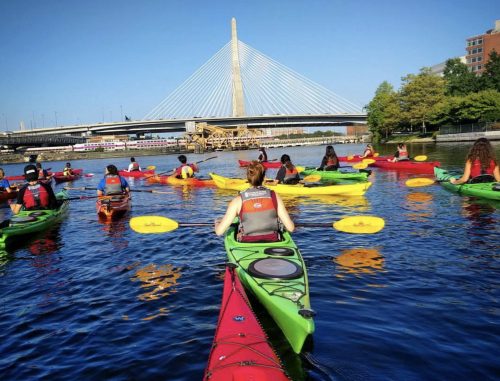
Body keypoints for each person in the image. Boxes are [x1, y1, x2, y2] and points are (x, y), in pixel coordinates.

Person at [214, 161, 294, 242]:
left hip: (247, 242)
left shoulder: (238, 200)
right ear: (264, 177)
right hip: (273, 240)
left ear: (248, 178)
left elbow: (219, 232)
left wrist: (217, 223)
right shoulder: (274, 196)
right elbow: (291, 228)